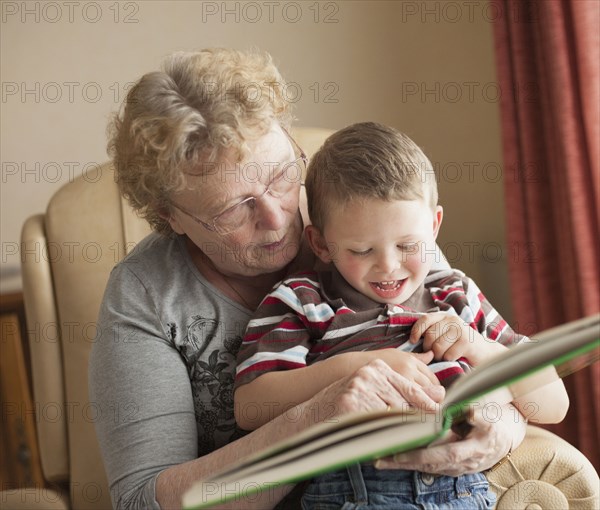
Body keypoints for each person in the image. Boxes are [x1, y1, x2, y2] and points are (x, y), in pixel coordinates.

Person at [89, 48, 531, 510]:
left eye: (282, 175)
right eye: (233, 208)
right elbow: (141, 501)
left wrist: (503, 422)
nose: (278, 218)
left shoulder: (363, 220)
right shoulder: (145, 296)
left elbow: (487, 354)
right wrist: (316, 415)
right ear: (170, 216)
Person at [234, 122, 569, 508]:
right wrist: (361, 366)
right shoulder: (303, 298)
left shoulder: (456, 296)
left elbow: (553, 404)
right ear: (321, 244)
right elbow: (251, 406)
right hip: (354, 491)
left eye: (408, 245)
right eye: (361, 251)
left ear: (435, 226)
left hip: (461, 491)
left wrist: (477, 346)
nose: (388, 267)